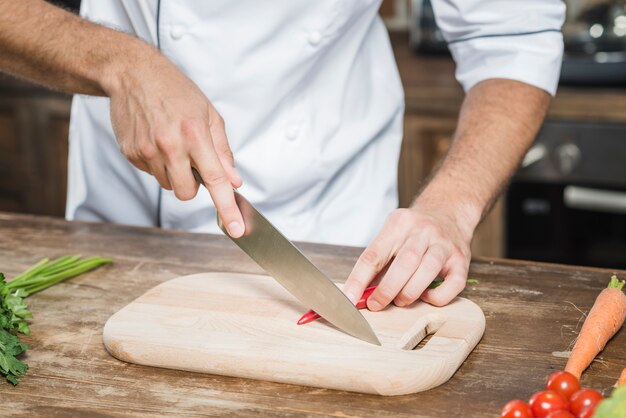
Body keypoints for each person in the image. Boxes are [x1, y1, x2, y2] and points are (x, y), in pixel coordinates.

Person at [0, 1, 564, 311]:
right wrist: (119, 64)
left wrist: (451, 208)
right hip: (118, 207)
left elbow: (513, 37)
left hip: (328, 225)